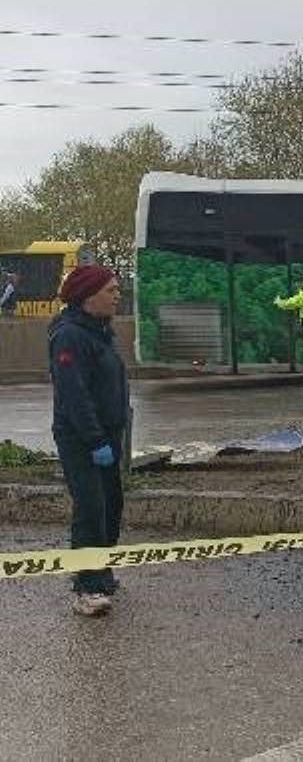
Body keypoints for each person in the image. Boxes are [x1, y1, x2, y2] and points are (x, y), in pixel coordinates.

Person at [48, 264, 129, 617]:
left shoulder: (100, 331)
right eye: (111, 290)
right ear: (87, 297)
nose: (117, 296)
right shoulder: (69, 335)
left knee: (111, 505)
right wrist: (95, 441)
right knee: (91, 508)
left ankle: (100, 570)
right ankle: (87, 587)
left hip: (108, 433)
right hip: (81, 438)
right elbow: (74, 394)